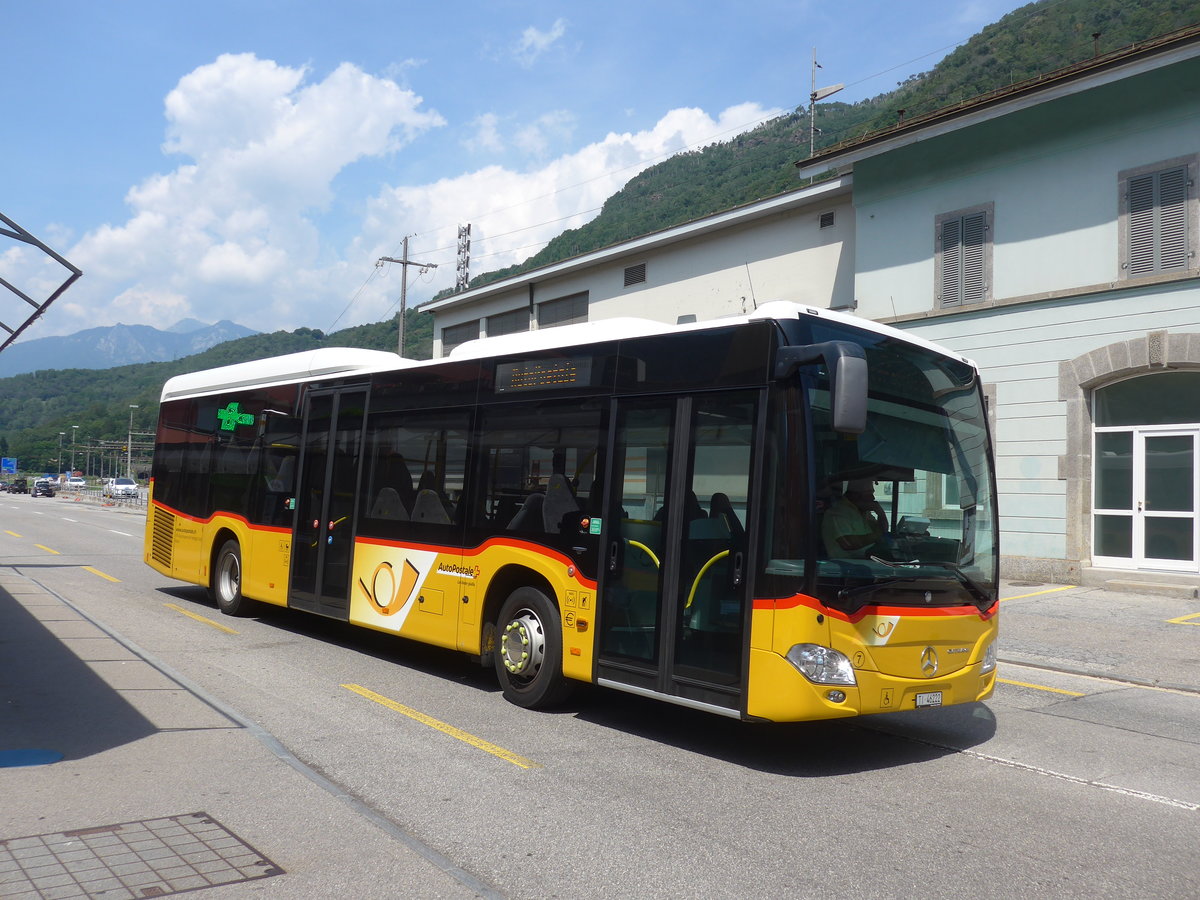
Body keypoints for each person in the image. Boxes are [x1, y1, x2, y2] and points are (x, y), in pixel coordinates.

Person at [822, 479, 888, 559]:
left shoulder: (864, 512)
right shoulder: (838, 512)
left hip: (868, 561)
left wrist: (881, 514)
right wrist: (878, 536)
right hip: (845, 566)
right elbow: (848, 543)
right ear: (854, 495)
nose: (873, 497)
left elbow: (882, 530)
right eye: (868, 494)